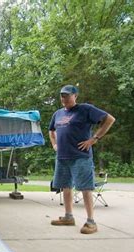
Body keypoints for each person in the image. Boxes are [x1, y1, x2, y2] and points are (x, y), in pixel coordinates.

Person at [49, 85, 115, 234]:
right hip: (62, 156)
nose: (63, 98)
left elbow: (109, 119)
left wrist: (94, 139)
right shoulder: (58, 114)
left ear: (75, 96)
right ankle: (68, 217)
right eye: (61, 95)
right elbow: (51, 131)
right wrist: (54, 144)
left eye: (67, 95)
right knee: (65, 186)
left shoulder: (85, 109)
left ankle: (91, 222)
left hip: (81, 156)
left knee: (85, 188)